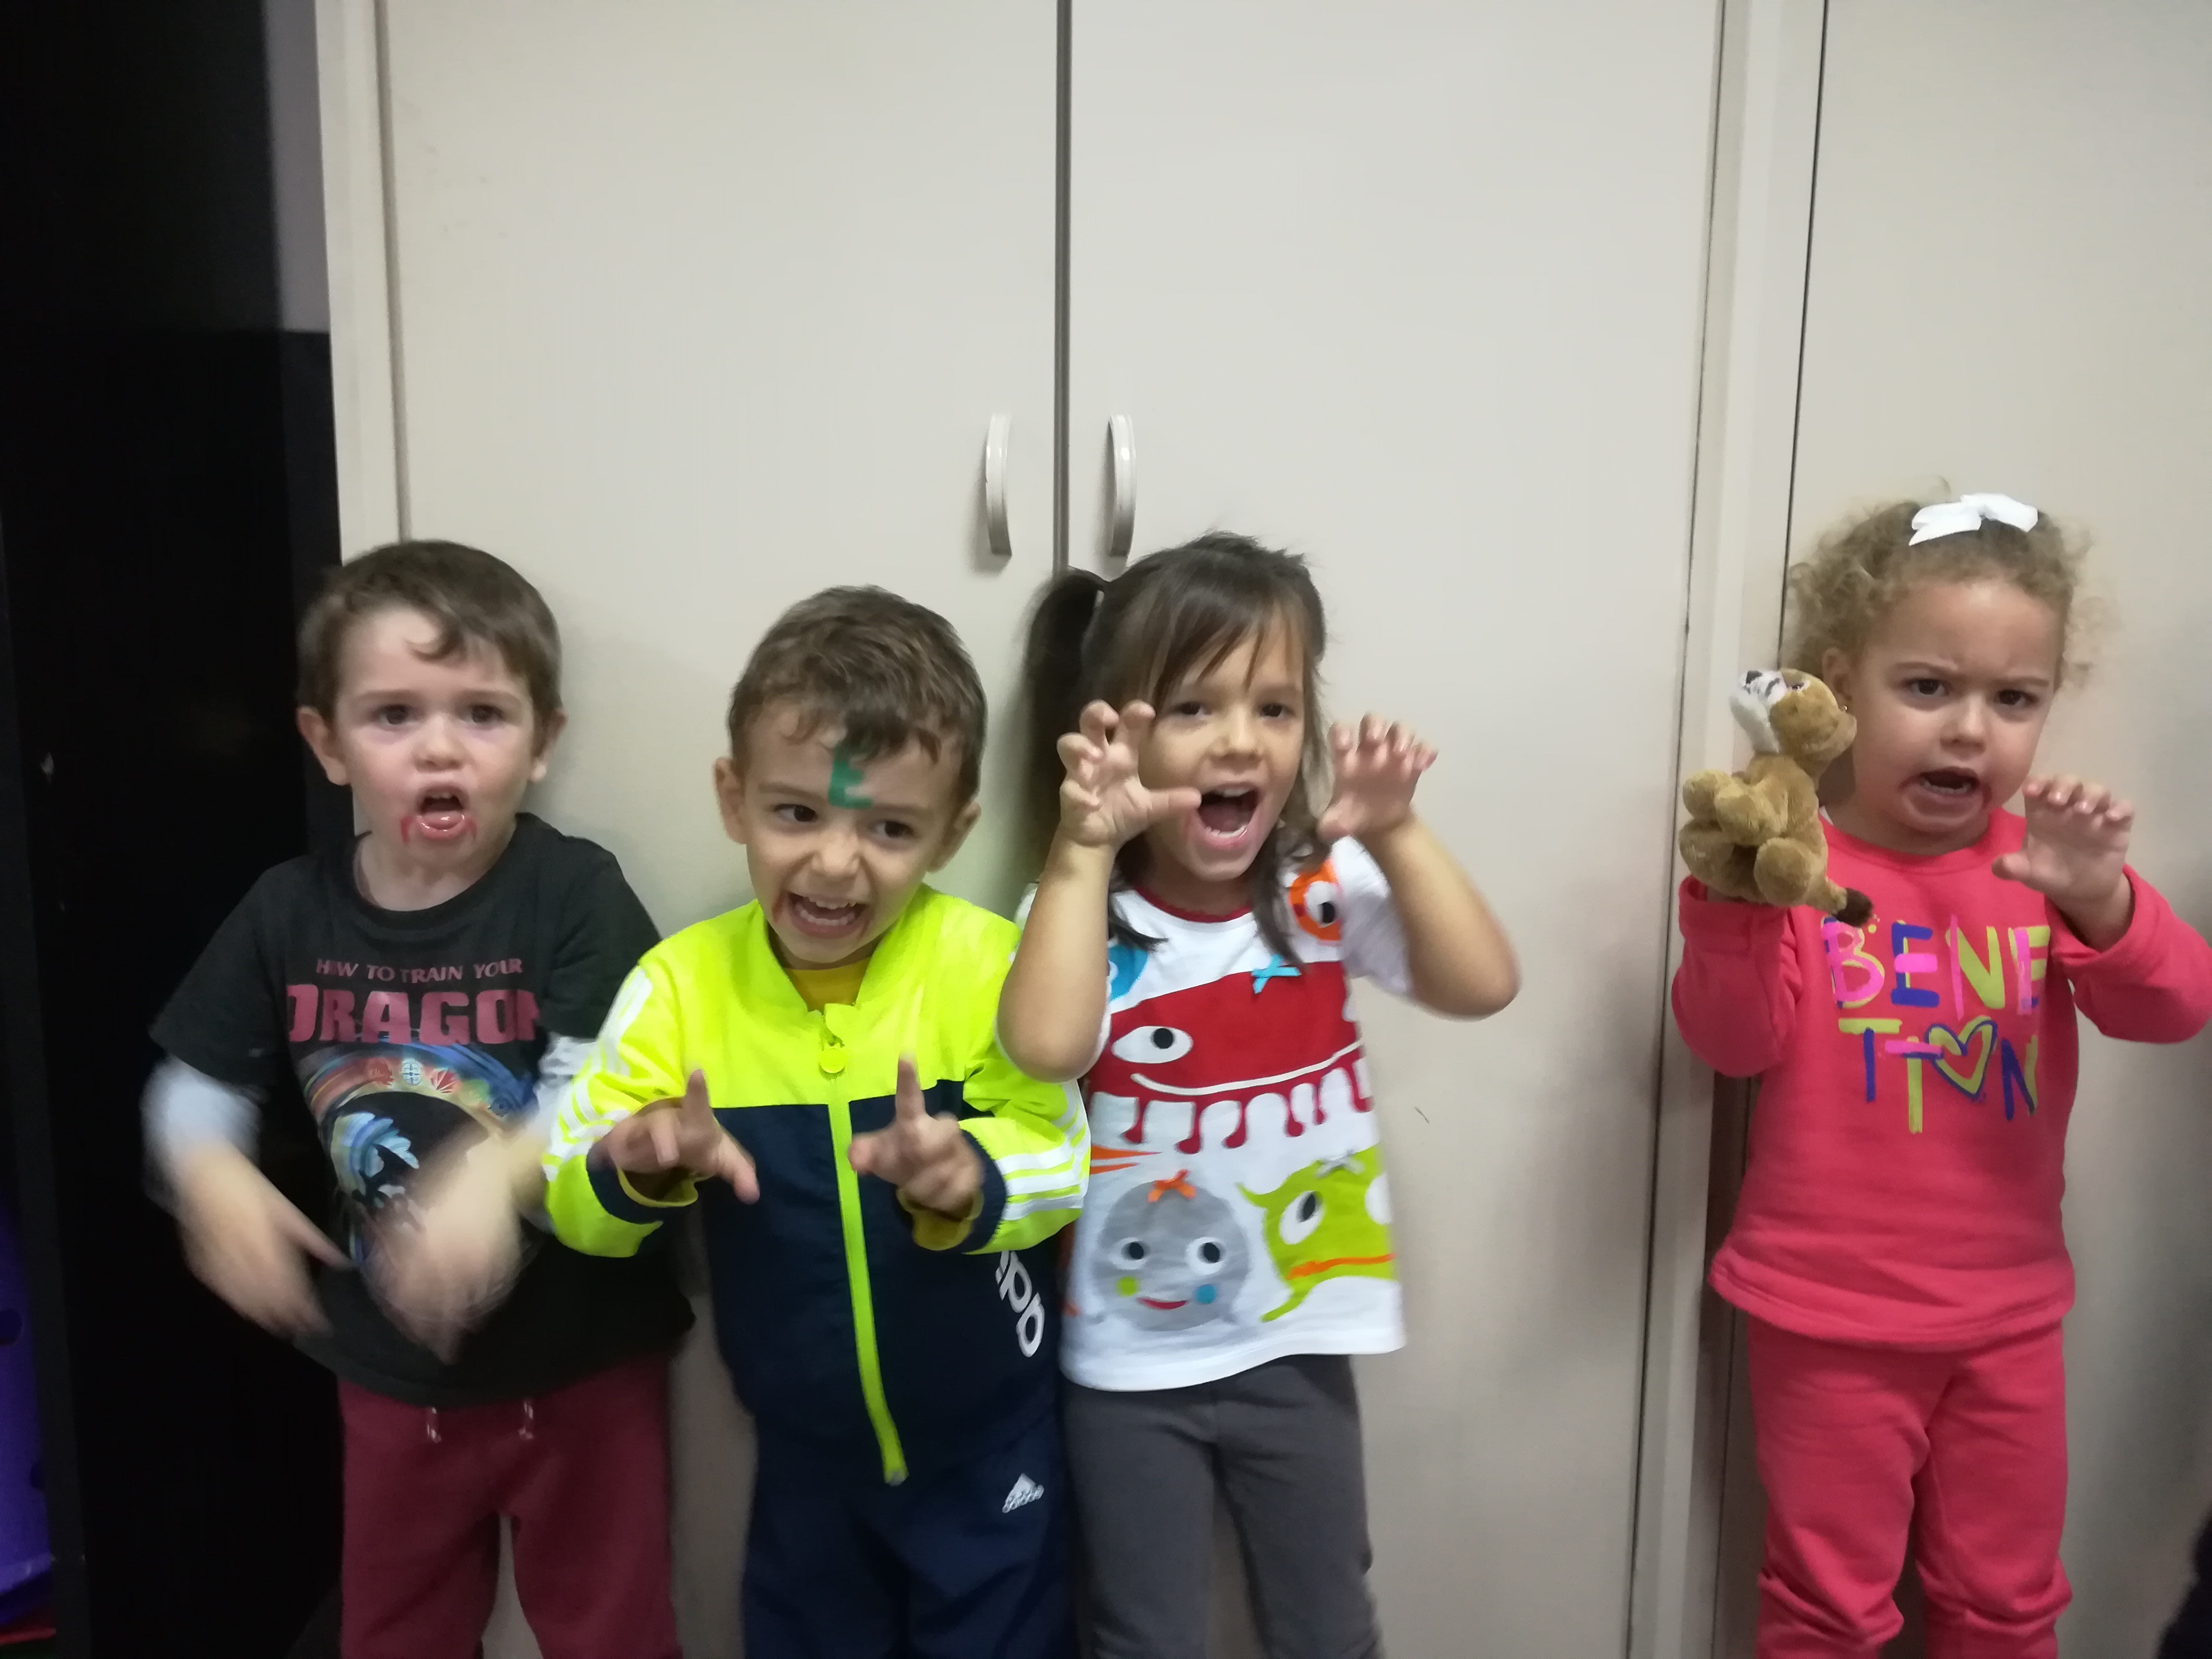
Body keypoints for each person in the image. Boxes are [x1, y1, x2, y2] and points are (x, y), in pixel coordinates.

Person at [1672, 493, 2212, 1658]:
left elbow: (2174, 1008)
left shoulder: (2040, 871)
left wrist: (2101, 899)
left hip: (2006, 1319)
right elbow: (1733, 1043)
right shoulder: (1799, 869)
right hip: (1827, 1316)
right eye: (1927, 687)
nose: (1970, 731)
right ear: (1838, 689)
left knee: (2006, 1604)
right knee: (1825, 1609)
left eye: (2013, 699)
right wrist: (1733, 909)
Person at [145, 541, 691, 1659]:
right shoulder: (286, 913)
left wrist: (494, 1177)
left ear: (542, 741)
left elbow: (605, 1085)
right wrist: (208, 1175)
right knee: (398, 1634)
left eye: (483, 715)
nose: (440, 747)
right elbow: (195, 1085)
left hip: (583, 1364)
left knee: (613, 1633)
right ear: (327, 743)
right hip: (391, 1375)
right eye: (393, 715)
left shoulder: (573, 893)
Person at [997, 532, 1519, 1659]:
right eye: (1196, 707)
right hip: (1127, 1366)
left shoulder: (1318, 888)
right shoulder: (1086, 912)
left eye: (1275, 708)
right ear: (1118, 734)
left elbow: (1483, 983)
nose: (1242, 739)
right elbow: (1042, 1046)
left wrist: (1396, 827)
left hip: (1299, 1345)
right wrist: (1082, 847)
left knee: (1329, 1627)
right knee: (1142, 1638)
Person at [541, 586, 1088, 1659]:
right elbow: (573, 1200)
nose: (837, 863)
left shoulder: (989, 965)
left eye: (889, 827)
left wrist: (974, 1177)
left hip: (992, 1448)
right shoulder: (680, 989)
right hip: (804, 1466)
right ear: (733, 798)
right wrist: (636, 1160)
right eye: (798, 813)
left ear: (953, 831)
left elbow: (1063, 1154)